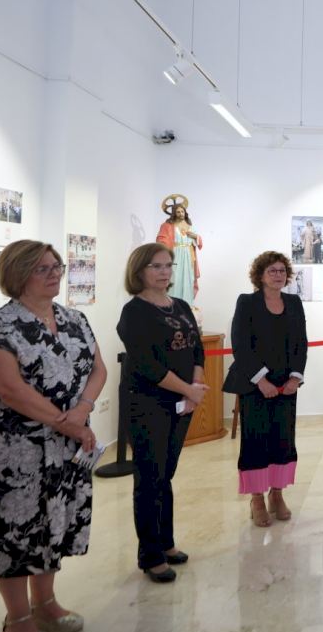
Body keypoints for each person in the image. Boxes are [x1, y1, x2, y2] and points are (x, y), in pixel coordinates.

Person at [0, 239, 106, 632]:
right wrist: (67, 421)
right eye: (43, 268)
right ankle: (18, 617)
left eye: (56, 266)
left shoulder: (74, 318)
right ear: (18, 273)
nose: (54, 273)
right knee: (13, 530)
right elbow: (10, 389)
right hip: (16, 448)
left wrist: (82, 410)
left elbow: (98, 369)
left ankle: (46, 602)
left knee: (53, 522)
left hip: (67, 443)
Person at [117, 243, 207, 584]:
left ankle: (166, 543)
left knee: (165, 475)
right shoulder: (134, 311)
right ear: (139, 270)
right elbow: (146, 364)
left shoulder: (180, 305)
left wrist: (195, 385)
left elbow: (196, 348)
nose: (164, 271)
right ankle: (151, 555)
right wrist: (188, 390)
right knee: (149, 478)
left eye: (168, 265)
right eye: (156, 266)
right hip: (147, 402)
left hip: (180, 401)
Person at [223, 251, 308, 527]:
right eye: (272, 270)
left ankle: (277, 494)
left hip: (286, 386)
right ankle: (257, 499)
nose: (278, 275)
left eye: (282, 270)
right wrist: (261, 380)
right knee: (256, 441)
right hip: (254, 385)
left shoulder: (293, 302)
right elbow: (240, 344)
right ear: (260, 275)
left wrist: (295, 378)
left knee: (283, 440)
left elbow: (301, 343)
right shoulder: (247, 302)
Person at [156, 194, 202, 305]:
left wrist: (195, 237)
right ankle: (172, 304)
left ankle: (187, 304)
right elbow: (161, 239)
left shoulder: (189, 225)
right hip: (175, 255)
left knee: (188, 279)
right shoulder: (167, 225)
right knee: (174, 278)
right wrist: (165, 247)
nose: (181, 214)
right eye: (178, 212)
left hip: (188, 256)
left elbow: (198, 241)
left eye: (182, 211)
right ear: (174, 213)